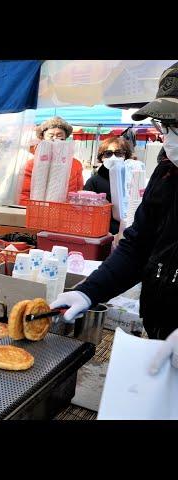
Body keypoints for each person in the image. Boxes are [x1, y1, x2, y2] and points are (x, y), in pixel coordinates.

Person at [50, 62, 178, 376]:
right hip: (162, 337)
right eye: (167, 127)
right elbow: (138, 247)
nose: (169, 139)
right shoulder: (167, 175)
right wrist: (87, 291)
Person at [18, 116, 84, 205]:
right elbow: (24, 192)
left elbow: (78, 191)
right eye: (51, 135)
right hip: (36, 211)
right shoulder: (32, 164)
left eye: (59, 135)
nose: (55, 139)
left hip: (65, 211)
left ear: (65, 138)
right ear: (43, 138)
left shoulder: (75, 164)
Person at [83, 137, 135, 235]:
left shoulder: (133, 178)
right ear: (102, 157)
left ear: (125, 156)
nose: (113, 157)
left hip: (129, 232)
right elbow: (85, 211)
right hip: (103, 232)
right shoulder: (94, 181)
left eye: (118, 153)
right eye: (108, 154)